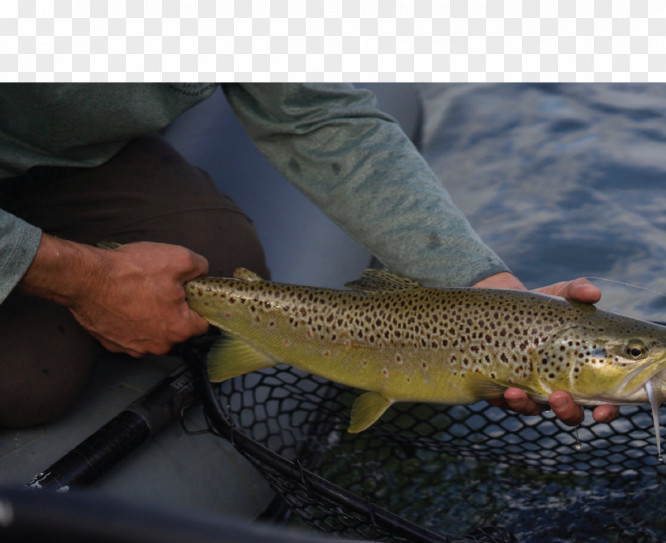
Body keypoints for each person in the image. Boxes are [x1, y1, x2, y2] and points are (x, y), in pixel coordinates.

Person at [0, 83, 619, 428]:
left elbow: (316, 116)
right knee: (28, 382)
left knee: (210, 259)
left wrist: (481, 285)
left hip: (59, 159)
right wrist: (81, 278)